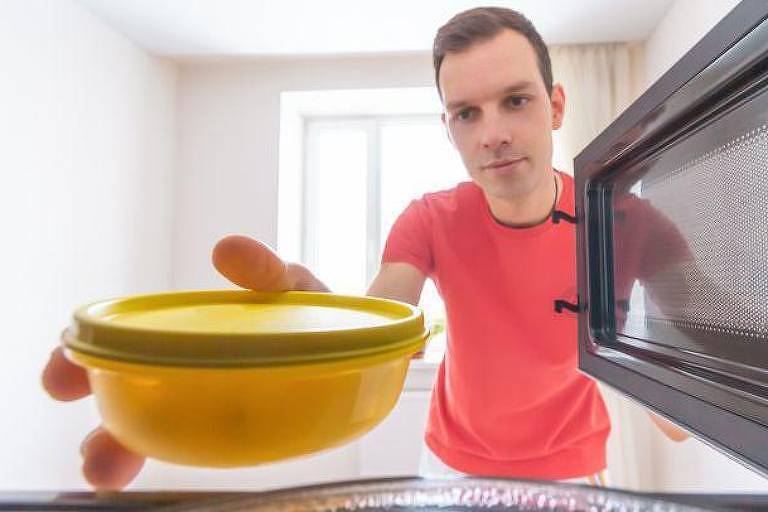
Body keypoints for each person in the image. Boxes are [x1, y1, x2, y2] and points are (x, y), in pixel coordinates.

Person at [42, 6, 690, 491]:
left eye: (514, 101)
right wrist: (308, 331)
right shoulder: (429, 219)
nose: (492, 134)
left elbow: (681, 420)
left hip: (573, 477)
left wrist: (627, 341)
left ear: (553, 106)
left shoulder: (632, 223)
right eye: (467, 113)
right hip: (449, 469)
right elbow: (382, 328)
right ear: (449, 129)